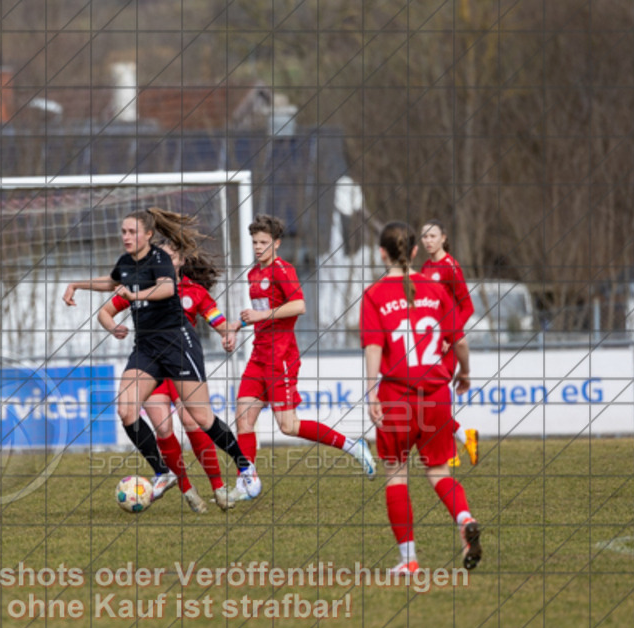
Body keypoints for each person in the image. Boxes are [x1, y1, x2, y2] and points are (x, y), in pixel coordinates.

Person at [62, 207, 260, 503]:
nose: (126, 237)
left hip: (177, 344)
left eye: (132, 232)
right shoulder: (129, 264)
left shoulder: (160, 261)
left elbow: (167, 288)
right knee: (126, 409)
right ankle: (162, 472)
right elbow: (113, 282)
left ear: (148, 235)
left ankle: (245, 468)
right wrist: (78, 285)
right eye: (124, 231)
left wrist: (137, 295)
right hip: (146, 348)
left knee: (201, 418)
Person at [361, 221, 482, 575]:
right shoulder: (435, 287)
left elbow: (373, 347)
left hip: (397, 394)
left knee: (396, 473)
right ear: (415, 251)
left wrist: (371, 394)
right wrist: (464, 373)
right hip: (436, 395)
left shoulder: (375, 294)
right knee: (439, 470)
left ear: (382, 252)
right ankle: (465, 518)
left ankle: (409, 560)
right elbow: (458, 341)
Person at [234, 214, 376, 501]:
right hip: (258, 356)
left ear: (276, 243)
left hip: (280, 358)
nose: (258, 247)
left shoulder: (282, 270)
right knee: (243, 421)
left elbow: (299, 305)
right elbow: (261, 314)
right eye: (254, 242)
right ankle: (247, 482)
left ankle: (352, 446)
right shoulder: (253, 274)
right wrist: (238, 326)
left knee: (288, 426)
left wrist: (262, 314)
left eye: (263, 242)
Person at [98, 241, 238, 512]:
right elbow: (105, 311)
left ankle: (219, 488)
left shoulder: (194, 292)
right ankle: (187, 491)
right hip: (152, 364)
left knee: (192, 421)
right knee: (162, 427)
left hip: (182, 364)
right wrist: (113, 326)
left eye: (169, 257)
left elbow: (217, 319)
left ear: (181, 261)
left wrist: (227, 335)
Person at [420, 219, 479, 467]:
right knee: (427, 399)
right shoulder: (425, 267)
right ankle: (464, 437)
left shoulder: (450, 267)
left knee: (435, 398)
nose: (428, 241)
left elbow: (467, 306)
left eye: (433, 236)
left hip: (447, 344)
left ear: (443, 237)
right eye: (424, 237)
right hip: (430, 344)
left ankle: (451, 450)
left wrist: (448, 335)